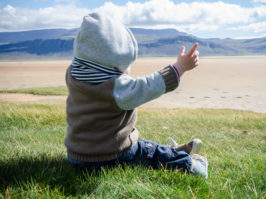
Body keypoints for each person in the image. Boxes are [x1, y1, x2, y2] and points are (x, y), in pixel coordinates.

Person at [64, 12, 208, 178]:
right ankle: (191, 165)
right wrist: (180, 67)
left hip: (76, 156)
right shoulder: (116, 88)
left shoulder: (73, 75)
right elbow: (148, 86)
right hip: (110, 156)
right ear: (112, 63)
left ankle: (177, 151)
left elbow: (98, 65)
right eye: (124, 64)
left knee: (145, 147)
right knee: (148, 151)